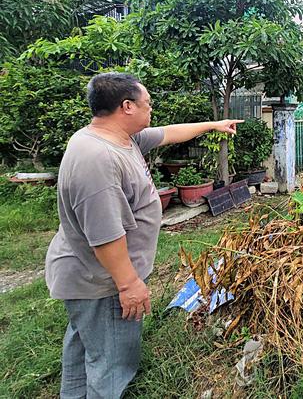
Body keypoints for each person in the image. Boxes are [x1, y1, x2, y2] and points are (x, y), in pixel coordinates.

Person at [45, 72, 243, 399]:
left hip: (93, 276)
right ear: (126, 106)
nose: (151, 110)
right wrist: (129, 285)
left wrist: (213, 124)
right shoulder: (97, 159)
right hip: (101, 281)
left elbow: (167, 134)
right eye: (147, 104)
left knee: (87, 345)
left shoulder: (121, 138)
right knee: (111, 361)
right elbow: (105, 235)